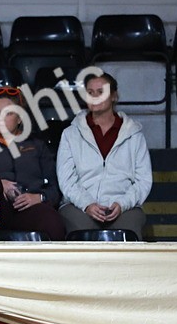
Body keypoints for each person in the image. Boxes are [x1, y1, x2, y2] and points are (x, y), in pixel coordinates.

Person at [57, 71, 152, 239]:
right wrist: (87, 204)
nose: (94, 97)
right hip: (79, 206)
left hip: (122, 207)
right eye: (90, 92)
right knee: (82, 230)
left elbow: (143, 180)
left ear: (114, 96)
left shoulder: (134, 134)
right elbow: (67, 180)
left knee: (130, 227)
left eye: (101, 92)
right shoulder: (70, 134)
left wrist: (122, 204)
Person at [0, 90, 66, 240]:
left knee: (53, 222)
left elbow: (56, 188)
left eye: (8, 113)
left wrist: (39, 197)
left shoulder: (37, 145)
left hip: (28, 208)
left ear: (19, 118)